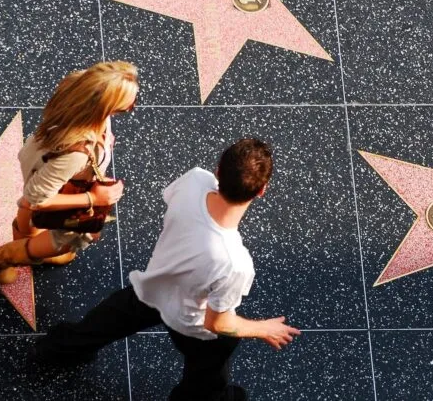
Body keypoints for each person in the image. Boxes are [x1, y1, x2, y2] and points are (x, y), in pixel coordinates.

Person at [29, 139, 301, 401]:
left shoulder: (195, 180)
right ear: (261, 190)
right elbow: (217, 323)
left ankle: (56, 351)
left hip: (154, 287)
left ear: (218, 171)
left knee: (107, 319)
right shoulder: (235, 263)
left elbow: (175, 202)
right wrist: (263, 329)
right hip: (191, 325)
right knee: (207, 378)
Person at [0, 61, 138, 284]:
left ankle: (23, 236)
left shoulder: (74, 90)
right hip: (62, 179)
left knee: (28, 203)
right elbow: (37, 199)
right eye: (125, 107)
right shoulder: (77, 154)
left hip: (39, 158)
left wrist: (103, 139)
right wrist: (94, 198)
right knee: (63, 242)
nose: (130, 108)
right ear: (103, 107)